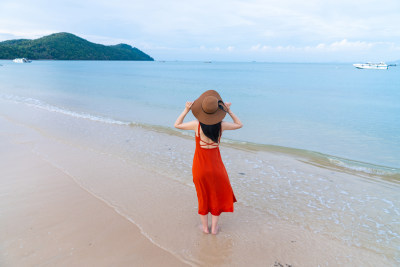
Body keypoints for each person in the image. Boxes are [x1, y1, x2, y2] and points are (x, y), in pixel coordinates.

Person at [174, 90, 243, 234]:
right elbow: (239, 124)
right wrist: (229, 110)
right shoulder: (221, 125)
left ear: (202, 111)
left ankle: (205, 228)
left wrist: (186, 109)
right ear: (217, 111)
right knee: (216, 196)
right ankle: (214, 229)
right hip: (217, 168)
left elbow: (177, 124)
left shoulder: (196, 125)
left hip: (200, 168)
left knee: (203, 197)